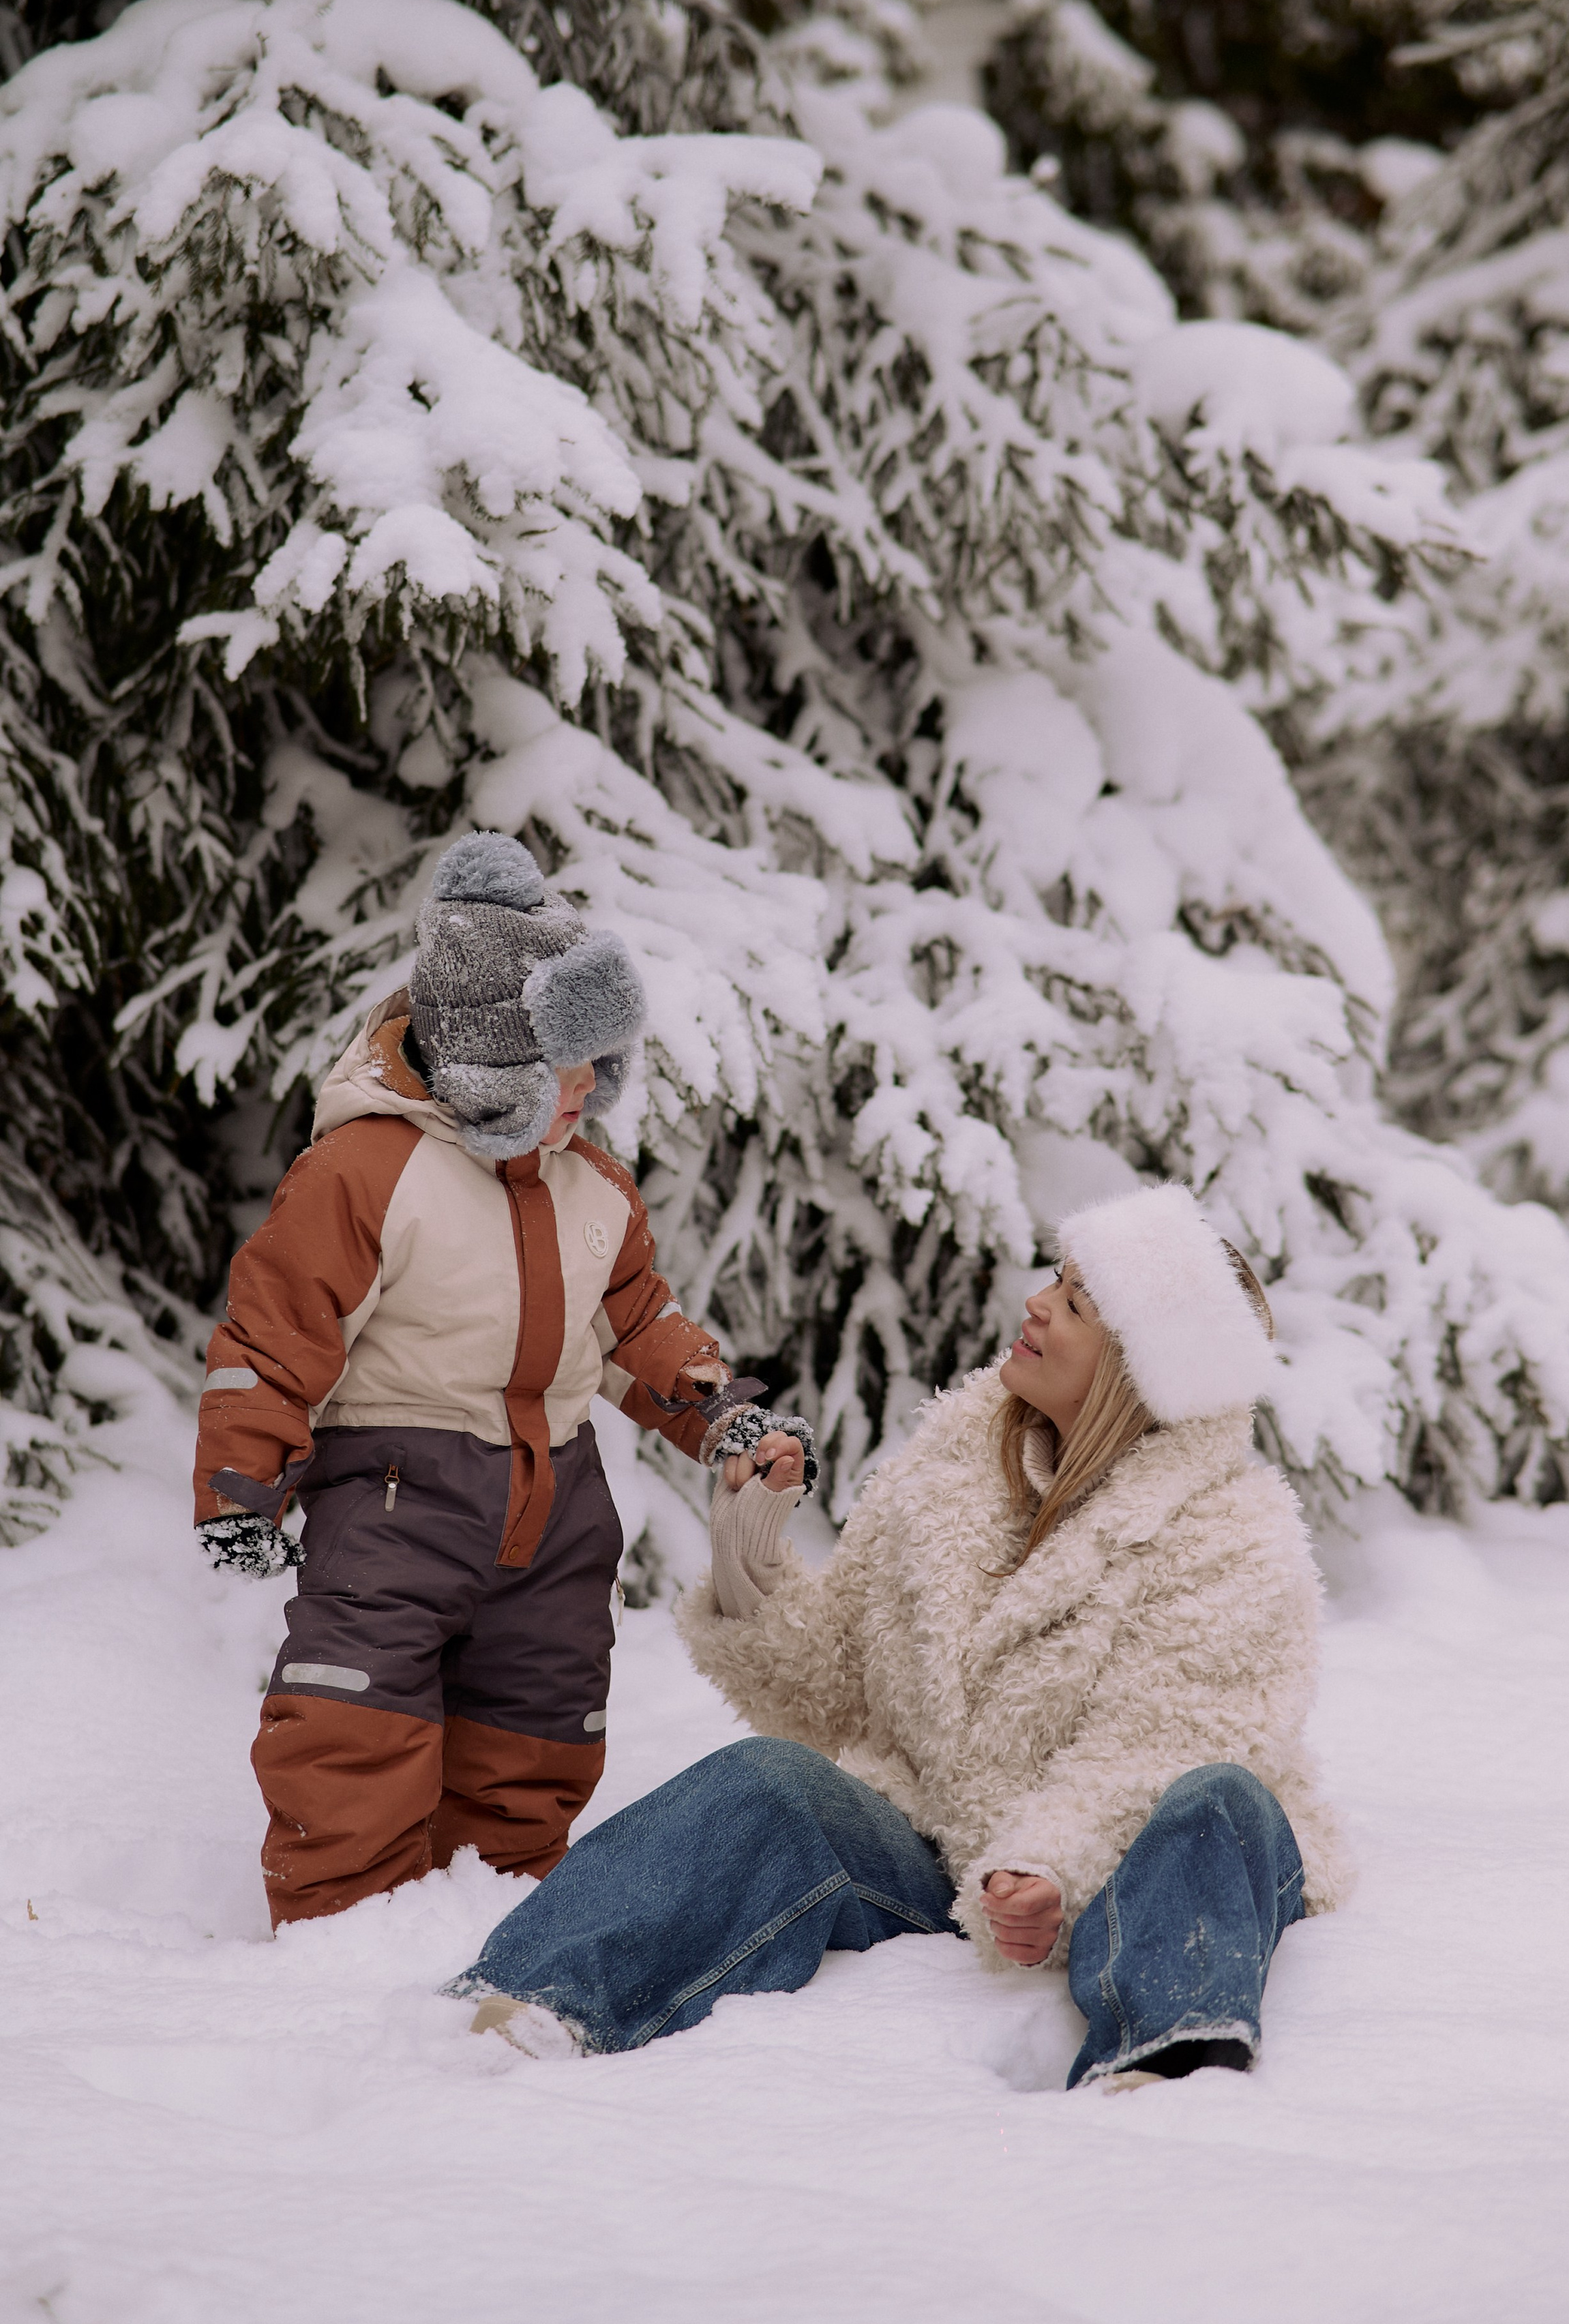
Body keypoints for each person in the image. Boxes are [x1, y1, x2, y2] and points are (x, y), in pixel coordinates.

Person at [444, 1181, 1348, 2091]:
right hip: (942, 1843)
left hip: (1124, 1854)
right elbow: (833, 1684)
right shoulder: (955, 1460)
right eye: (1054, 1280)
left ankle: (1169, 2058)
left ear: (1133, 1372)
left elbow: (1148, 1756)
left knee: (1217, 1806)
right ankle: (541, 1995)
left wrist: (1047, 1866)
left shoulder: (1235, 1536)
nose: (1035, 1302)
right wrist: (749, 1551)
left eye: (1072, 1303)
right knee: (769, 1780)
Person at [192, 830, 811, 1926]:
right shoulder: (369, 1171)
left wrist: (723, 1417)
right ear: (488, 1067)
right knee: (355, 1714)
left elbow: (638, 1327)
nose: (589, 1094)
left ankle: (498, 1910)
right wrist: (245, 1480)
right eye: (563, 1073)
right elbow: (278, 1327)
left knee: (542, 1711)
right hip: (393, 1494)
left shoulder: (595, 1186)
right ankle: (339, 1931)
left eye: (597, 1070)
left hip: (557, 1504)